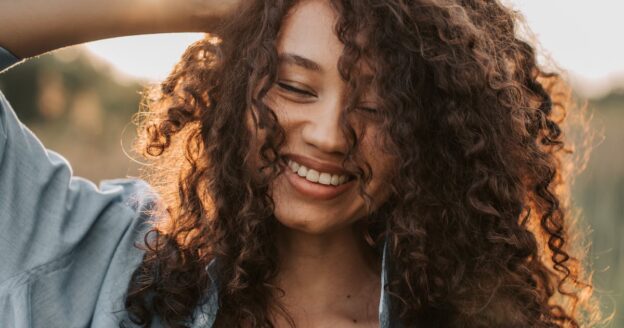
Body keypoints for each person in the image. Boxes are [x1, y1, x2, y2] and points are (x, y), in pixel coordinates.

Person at [0, 0, 604, 327]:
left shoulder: (470, 316)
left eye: (377, 106)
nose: (329, 135)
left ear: (430, 132)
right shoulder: (98, 258)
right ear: (237, 87)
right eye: (293, 85)